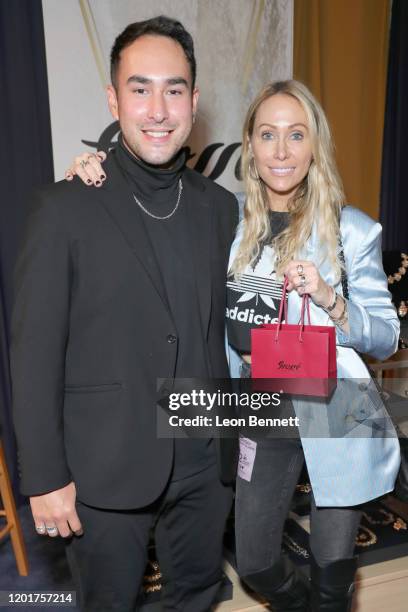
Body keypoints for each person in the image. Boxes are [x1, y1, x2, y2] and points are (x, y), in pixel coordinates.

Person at [73, 80, 401, 612]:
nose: (281, 151)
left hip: (340, 408)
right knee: (255, 565)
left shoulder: (350, 230)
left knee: (332, 576)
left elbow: (386, 339)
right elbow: (147, 214)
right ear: (249, 144)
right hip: (259, 406)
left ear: (315, 144)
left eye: (296, 135)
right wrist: (93, 172)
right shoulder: (225, 217)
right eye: (267, 134)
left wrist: (330, 299)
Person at [11, 16, 238, 612]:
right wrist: (43, 478)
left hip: (203, 458)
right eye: (140, 89)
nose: (158, 109)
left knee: (196, 597)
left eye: (174, 89)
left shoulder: (220, 209)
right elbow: (32, 354)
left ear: (194, 99)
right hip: (101, 471)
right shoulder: (64, 208)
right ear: (114, 98)